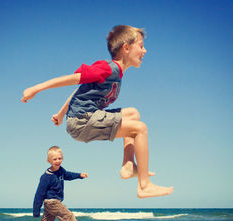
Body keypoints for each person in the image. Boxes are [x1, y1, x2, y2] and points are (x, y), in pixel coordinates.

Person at [21, 25, 174, 199]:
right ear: (126, 48)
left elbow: (80, 90)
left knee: (133, 114)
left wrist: (61, 113)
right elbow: (73, 79)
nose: (144, 50)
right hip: (82, 121)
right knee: (140, 128)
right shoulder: (108, 68)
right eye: (141, 45)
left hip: (84, 118)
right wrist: (36, 89)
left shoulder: (117, 74)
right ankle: (144, 185)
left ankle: (128, 166)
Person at [19, 146, 95, 221]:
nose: (58, 161)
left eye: (60, 158)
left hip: (53, 203)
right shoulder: (46, 177)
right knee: (69, 217)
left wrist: (80, 175)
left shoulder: (61, 171)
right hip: (52, 202)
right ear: (48, 160)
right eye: (55, 159)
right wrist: (36, 211)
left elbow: (68, 175)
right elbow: (39, 194)